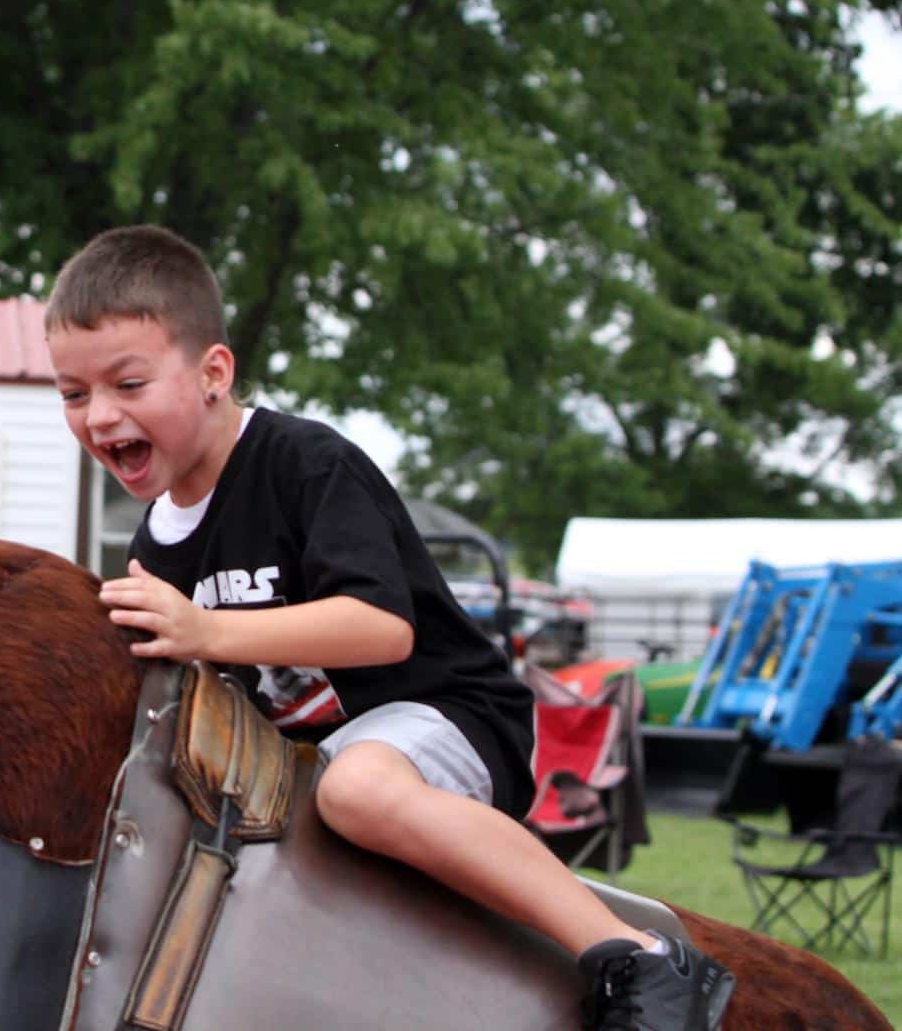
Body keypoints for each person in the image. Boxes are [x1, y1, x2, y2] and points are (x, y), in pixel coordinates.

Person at [44, 224, 734, 1031]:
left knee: (357, 790)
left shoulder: (303, 463)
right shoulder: (155, 546)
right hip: (311, 767)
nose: (101, 415)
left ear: (213, 374)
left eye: (128, 383)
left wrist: (207, 630)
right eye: (73, 394)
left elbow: (381, 629)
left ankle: (640, 958)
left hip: (450, 714)